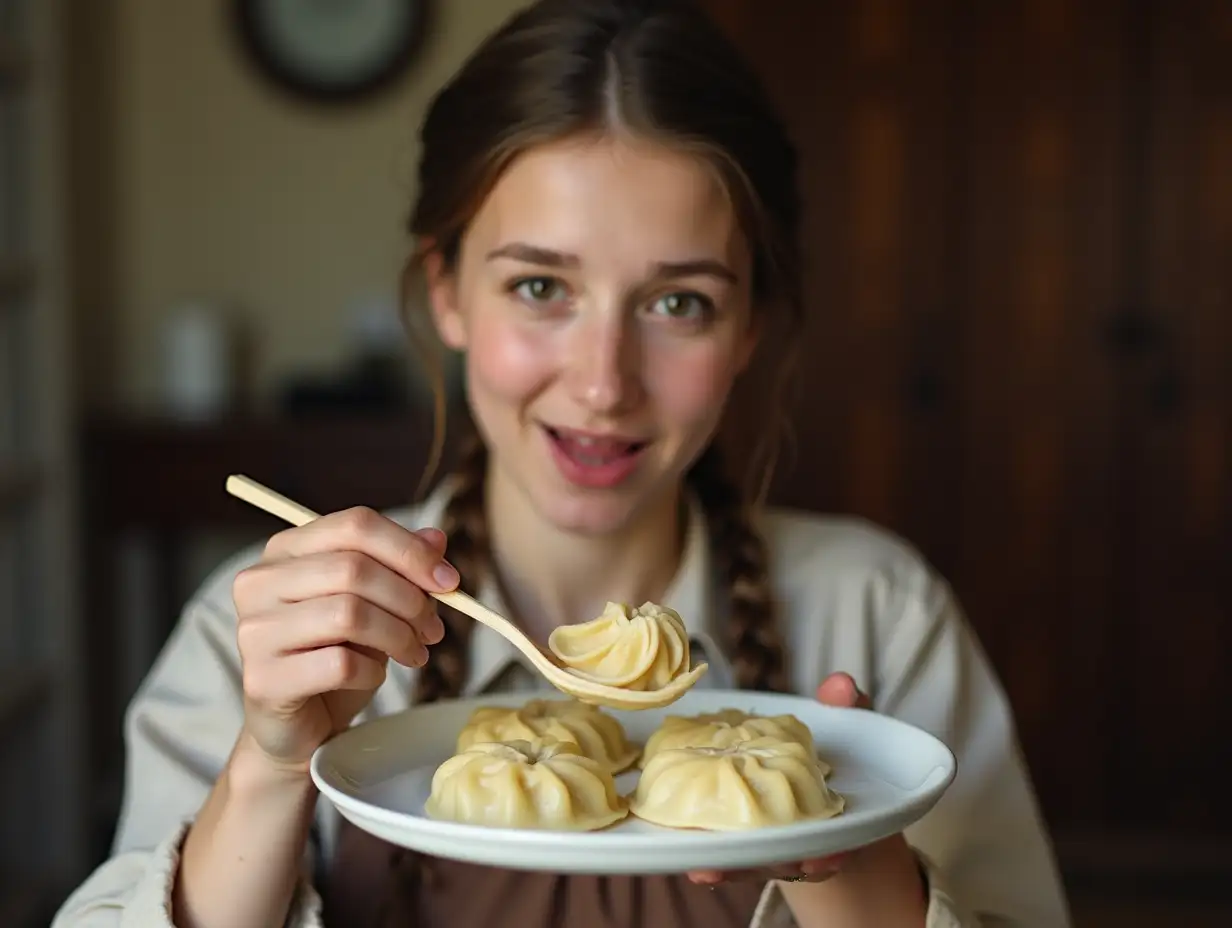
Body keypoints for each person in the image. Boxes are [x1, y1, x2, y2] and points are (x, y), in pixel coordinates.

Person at [53, 1, 1072, 926]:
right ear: (446, 291)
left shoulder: (880, 616)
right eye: (540, 286)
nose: (601, 383)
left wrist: (846, 857)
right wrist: (271, 767)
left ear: (751, 325)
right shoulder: (271, 636)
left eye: (679, 303)